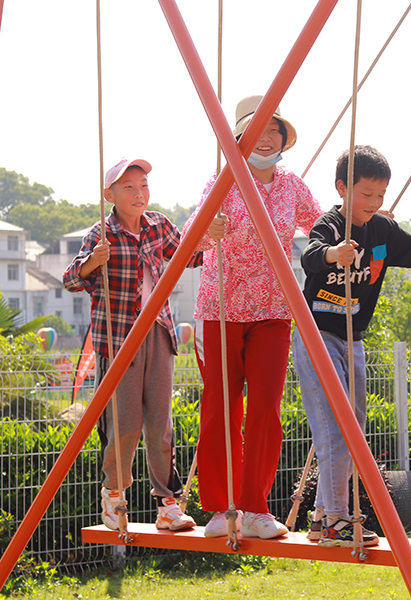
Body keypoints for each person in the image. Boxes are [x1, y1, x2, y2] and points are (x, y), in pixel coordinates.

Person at [293, 144, 411, 547]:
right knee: (334, 428)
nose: (374, 202)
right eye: (366, 194)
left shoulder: (381, 230)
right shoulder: (330, 225)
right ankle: (336, 519)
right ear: (342, 188)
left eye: (380, 195)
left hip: (353, 339)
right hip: (317, 336)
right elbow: (310, 255)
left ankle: (323, 516)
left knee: (354, 429)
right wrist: (333, 254)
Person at [183, 96, 323, 539]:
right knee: (221, 408)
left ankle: (257, 508)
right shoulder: (223, 180)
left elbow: (322, 226)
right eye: (257, 130)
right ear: (240, 137)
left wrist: (368, 225)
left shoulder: (292, 186)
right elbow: (190, 238)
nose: (266, 138)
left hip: (273, 309)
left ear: (283, 139)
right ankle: (221, 507)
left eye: (274, 131)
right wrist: (208, 230)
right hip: (220, 309)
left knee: (265, 408)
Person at [63, 158, 216, 531]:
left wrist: (211, 235)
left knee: (160, 422)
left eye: (143, 186)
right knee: (125, 424)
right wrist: (92, 262)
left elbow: (190, 256)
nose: (138, 194)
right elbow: (70, 280)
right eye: (129, 187)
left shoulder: (158, 224)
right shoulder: (102, 234)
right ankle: (114, 495)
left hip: (158, 330)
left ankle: (168, 505)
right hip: (118, 338)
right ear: (109, 194)